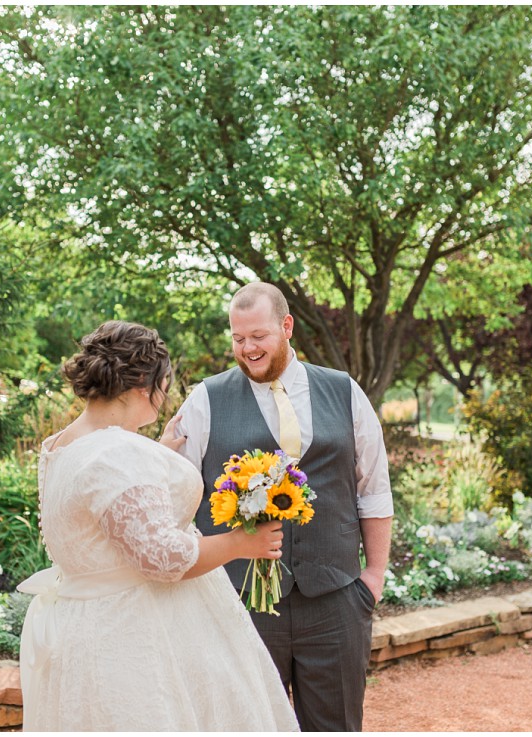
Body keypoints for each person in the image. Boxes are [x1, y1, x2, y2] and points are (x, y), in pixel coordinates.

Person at [18, 320, 299, 732]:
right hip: (138, 636)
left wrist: (156, 454)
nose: (165, 398)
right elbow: (164, 559)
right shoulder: (117, 453)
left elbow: (106, 515)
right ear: (140, 387)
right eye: (163, 385)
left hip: (87, 626)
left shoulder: (64, 444)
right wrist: (242, 542)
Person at [172, 282, 393, 732]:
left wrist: (372, 580)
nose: (247, 349)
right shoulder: (205, 400)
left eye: (258, 337)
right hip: (242, 605)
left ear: (286, 326)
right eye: (238, 339)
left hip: (334, 601)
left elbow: (373, 489)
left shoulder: (344, 391)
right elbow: (175, 494)